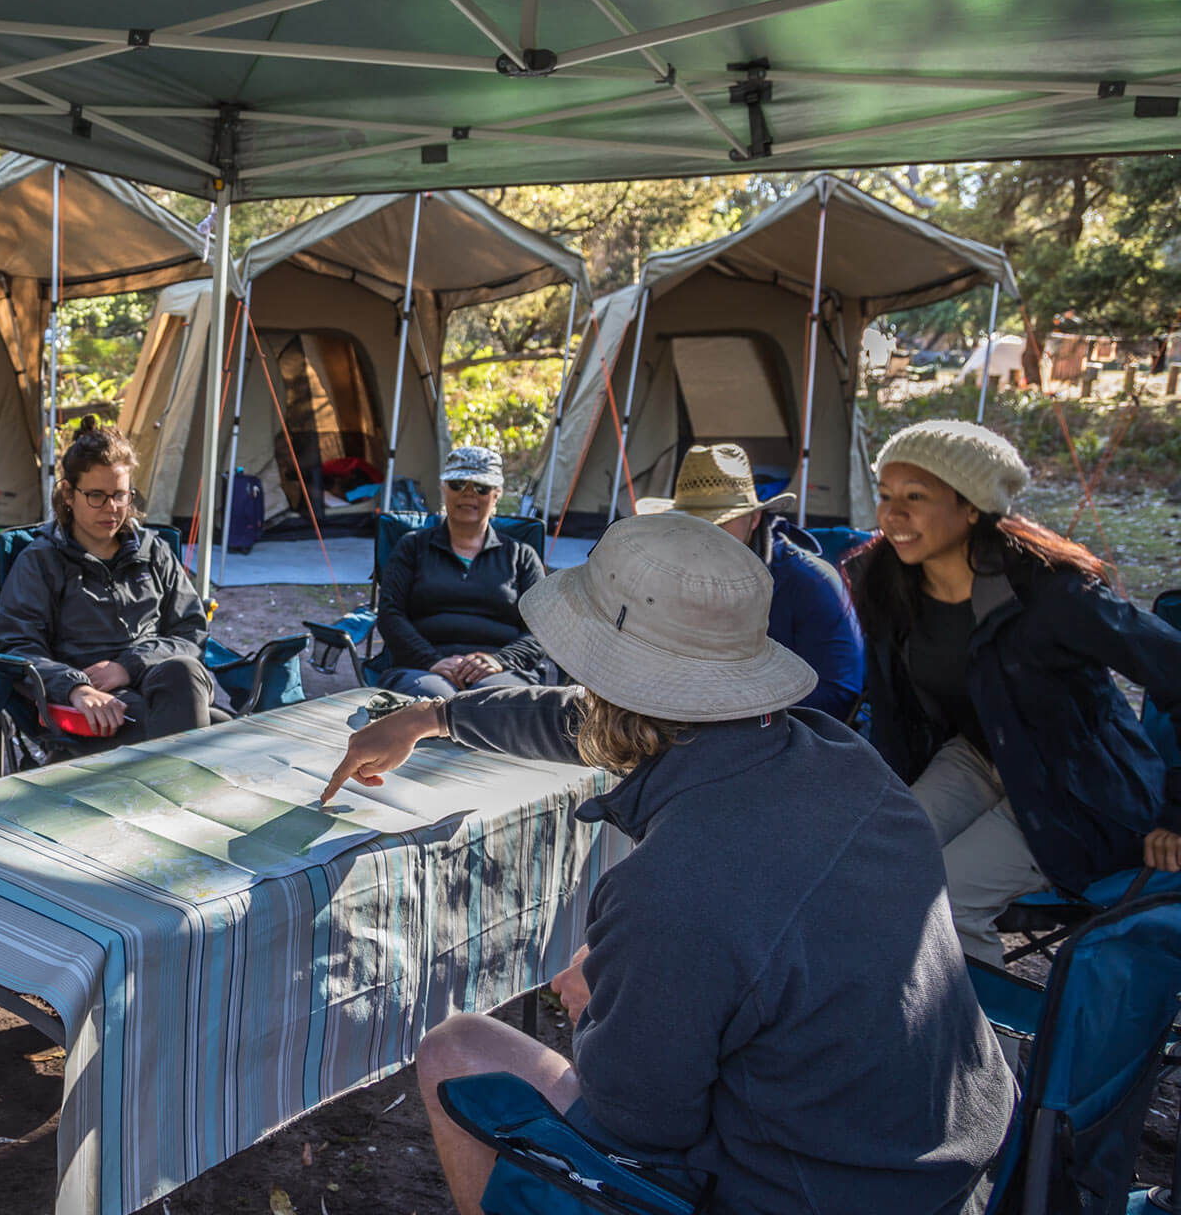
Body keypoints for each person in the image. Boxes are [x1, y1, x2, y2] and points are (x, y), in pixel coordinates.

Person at [324, 513, 1015, 1215]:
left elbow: (639, 1126)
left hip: (817, 1194)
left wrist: (602, 1004)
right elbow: (601, 724)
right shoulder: (834, 755)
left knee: (456, 1050)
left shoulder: (675, 889)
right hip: (947, 1159)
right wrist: (434, 718)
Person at [852, 418, 1181, 963]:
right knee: (876, 859)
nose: (892, 514)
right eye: (885, 495)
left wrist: (1177, 811)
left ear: (972, 507)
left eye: (916, 496)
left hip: (1073, 783)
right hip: (978, 757)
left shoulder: (1051, 592)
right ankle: (898, 1019)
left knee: (952, 899)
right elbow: (892, 712)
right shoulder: (886, 583)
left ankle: (986, 1047)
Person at [0, 415, 215, 740]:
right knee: (206, 731)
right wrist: (74, 687)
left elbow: (191, 631)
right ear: (68, 493)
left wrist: (129, 665)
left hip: (158, 677)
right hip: (90, 695)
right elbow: (17, 647)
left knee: (185, 672)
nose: (111, 508)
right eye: (96, 495)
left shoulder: (153, 552)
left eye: (121, 495)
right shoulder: (40, 561)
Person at [636, 442, 865, 718]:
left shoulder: (810, 583)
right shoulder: (670, 570)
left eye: (721, 522)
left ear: (754, 518)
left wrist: (727, 702)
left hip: (785, 742)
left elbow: (838, 694)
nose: (706, 534)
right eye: (693, 522)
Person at [375, 446, 548, 698]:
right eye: (458, 484)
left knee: (491, 701)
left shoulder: (521, 556)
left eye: (481, 487)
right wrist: (431, 660)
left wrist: (500, 660)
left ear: (497, 494)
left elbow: (542, 628)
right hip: (423, 669)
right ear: (443, 488)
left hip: (501, 671)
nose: (469, 494)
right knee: (433, 703)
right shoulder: (412, 547)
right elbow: (390, 615)